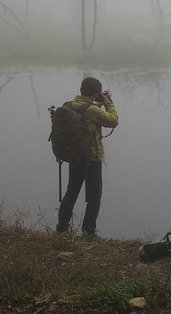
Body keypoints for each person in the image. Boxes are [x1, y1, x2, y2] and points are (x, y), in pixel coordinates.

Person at [56, 76, 118, 236]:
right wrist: (108, 103)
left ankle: (62, 227)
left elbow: (86, 113)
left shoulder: (69, 105)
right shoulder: (93, 110)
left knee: (72, 191)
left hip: (74, 156)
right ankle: (89, 230)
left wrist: (98, 104)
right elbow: (113, 121)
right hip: (92, 158)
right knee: (94, 196)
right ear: (96, 92)